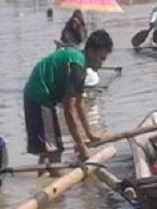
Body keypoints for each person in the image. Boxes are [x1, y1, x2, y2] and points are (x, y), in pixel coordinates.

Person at [23, 29, 112, 174]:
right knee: (55, 152)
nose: (102, 64)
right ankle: (55, 189)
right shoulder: (77, 66)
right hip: (40, 96)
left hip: (36, 95)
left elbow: (79, 104)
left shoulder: (80, 64)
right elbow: (69, 110)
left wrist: (88, 134)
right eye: (101, 58)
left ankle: (41, 180)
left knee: (47, 151)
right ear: (91, 51)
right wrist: (81, 146)